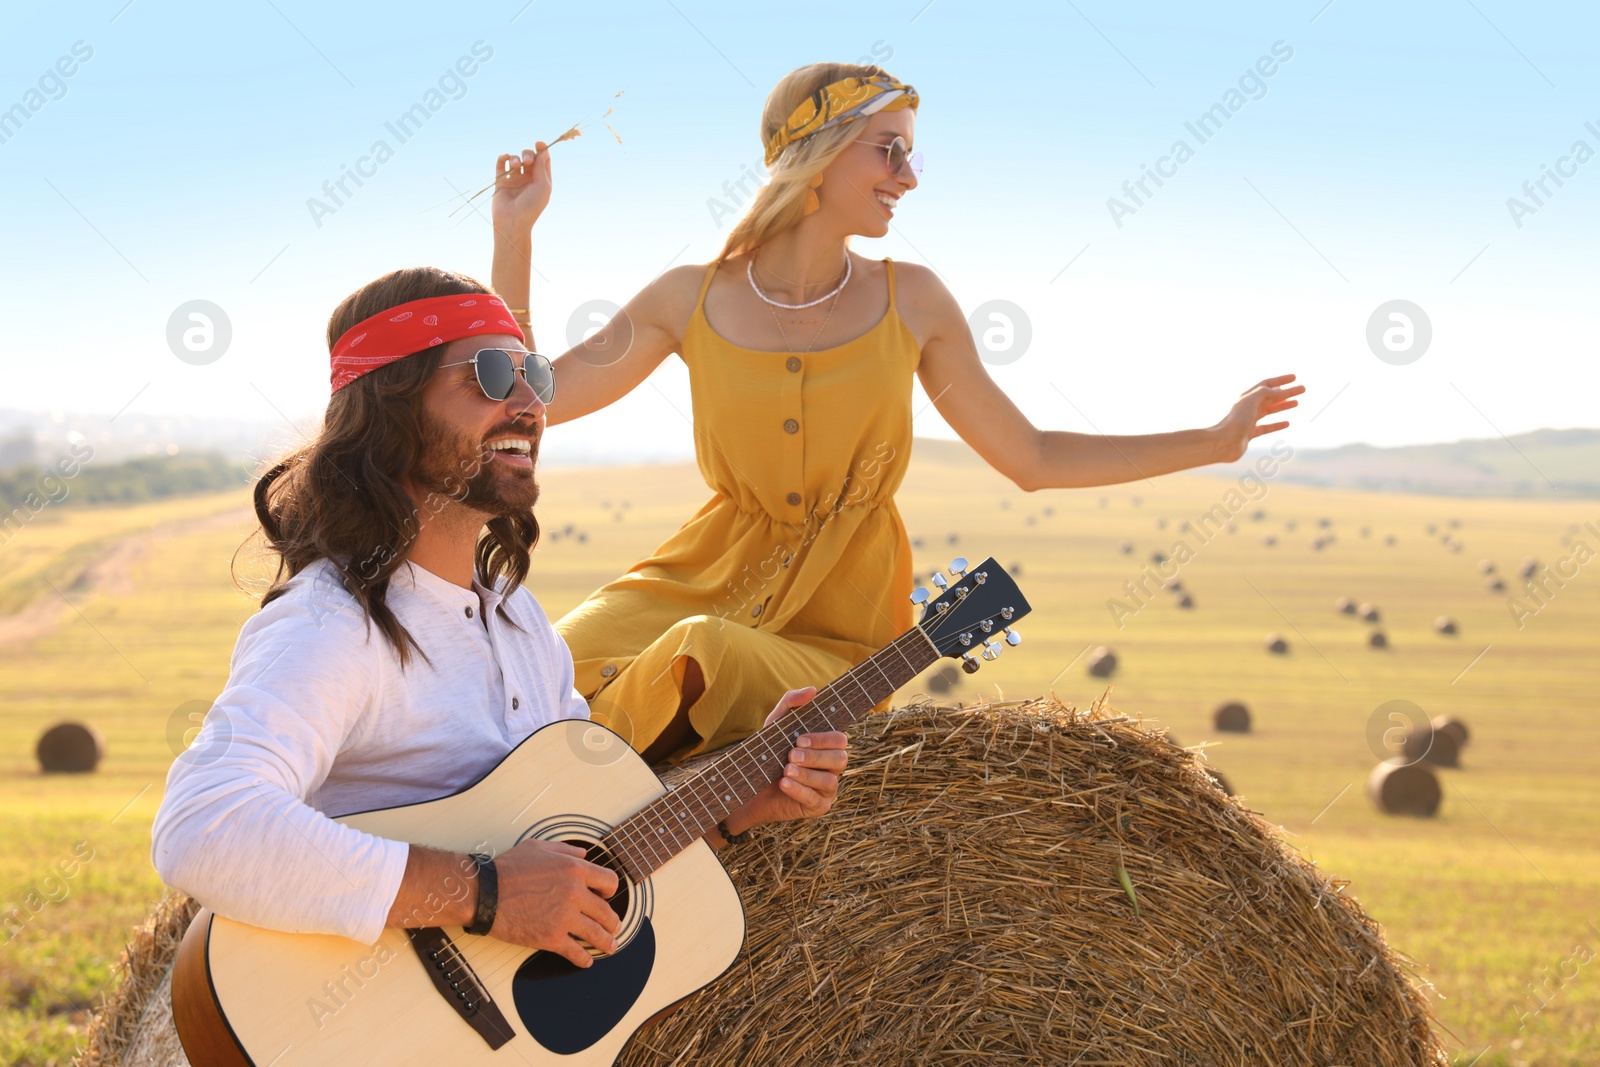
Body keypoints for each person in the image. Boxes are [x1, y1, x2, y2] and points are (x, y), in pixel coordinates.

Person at [486, 62, 1304, 766]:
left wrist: (1216, 440)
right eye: (890, 150)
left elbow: (1034, 457)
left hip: (836, 627)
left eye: (908, 154)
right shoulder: (687, 297)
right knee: (545, 657)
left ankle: (571, 813)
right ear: (818, 156)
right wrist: (515, 237)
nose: (908, 176)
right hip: (697, 576)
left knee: (705, 650)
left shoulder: (912, 300)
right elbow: (531, 398)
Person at [149, 266, 847, 970]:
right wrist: (484, 892)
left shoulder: (517, 619)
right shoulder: (335, 622)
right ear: (391, 410)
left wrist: (733, 804)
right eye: (487, 375)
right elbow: (202, 824)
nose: (529, 405)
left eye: (534, 377)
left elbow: (586, 852)